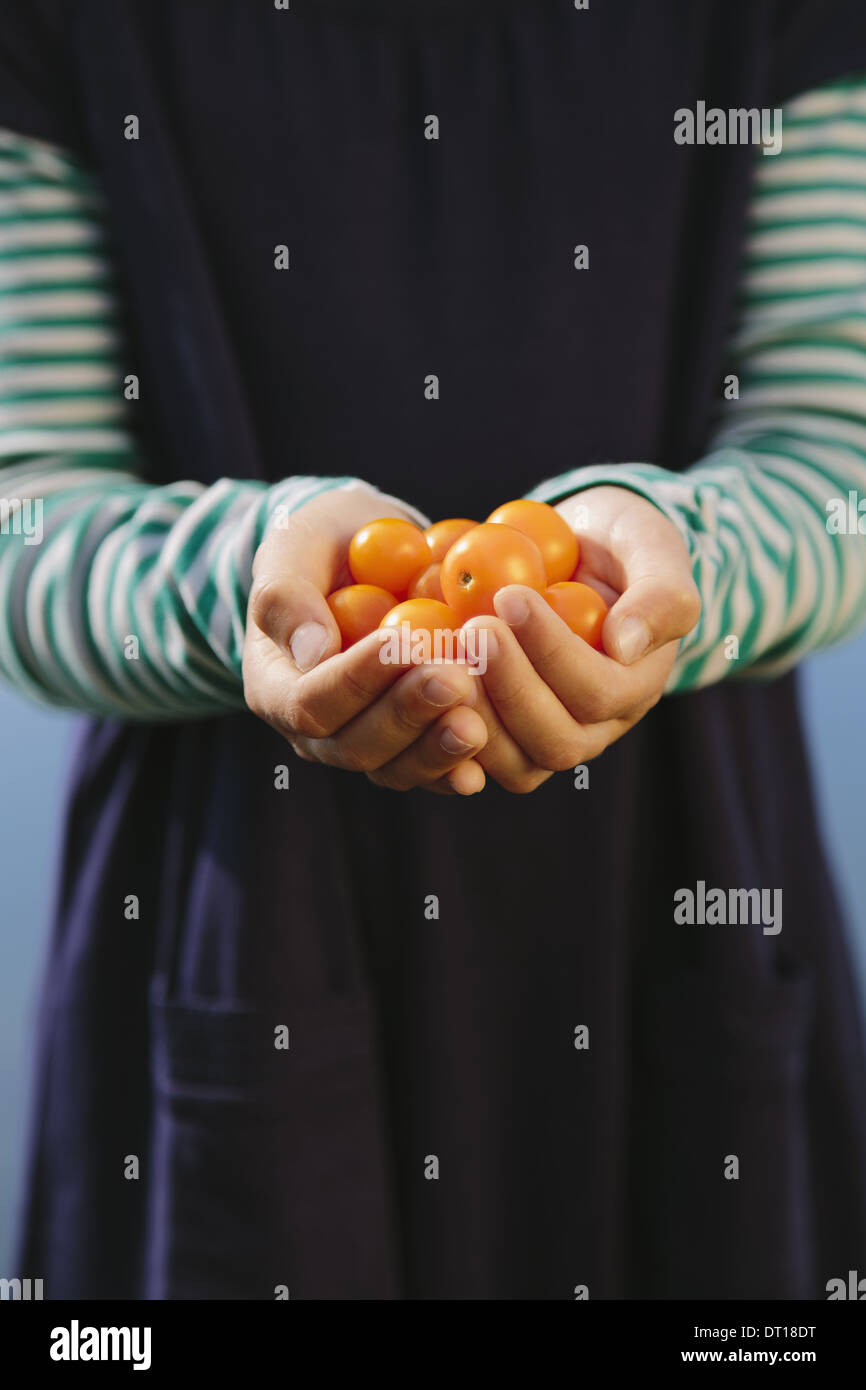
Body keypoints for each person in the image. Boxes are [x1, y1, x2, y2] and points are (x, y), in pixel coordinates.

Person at [1, 0, 865, 1300]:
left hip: (675, 889)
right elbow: (27, 511)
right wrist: (249, 572)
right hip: (230, 915)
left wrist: (680, 560)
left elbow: (836, 450)